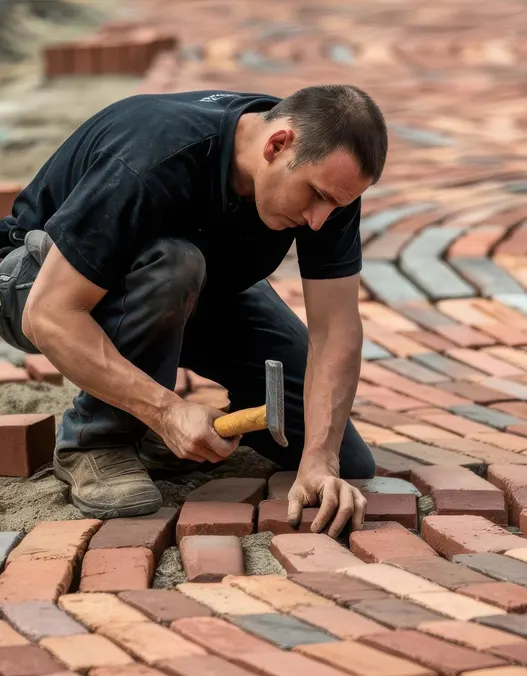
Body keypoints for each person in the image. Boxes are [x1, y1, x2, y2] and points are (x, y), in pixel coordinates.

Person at [0, 84, 387, 538]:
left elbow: (336, 328)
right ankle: (96, 439)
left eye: (337, 204)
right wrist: (166, 411)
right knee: (177, 264)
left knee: (347, 458)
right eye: (316, 196)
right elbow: (49, 314)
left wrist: (320, 461)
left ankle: (159, 437)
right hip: (37, 280)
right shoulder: (154, 157)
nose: (320, 220)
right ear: (277, 145)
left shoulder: (329, 179)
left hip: (194, 287)